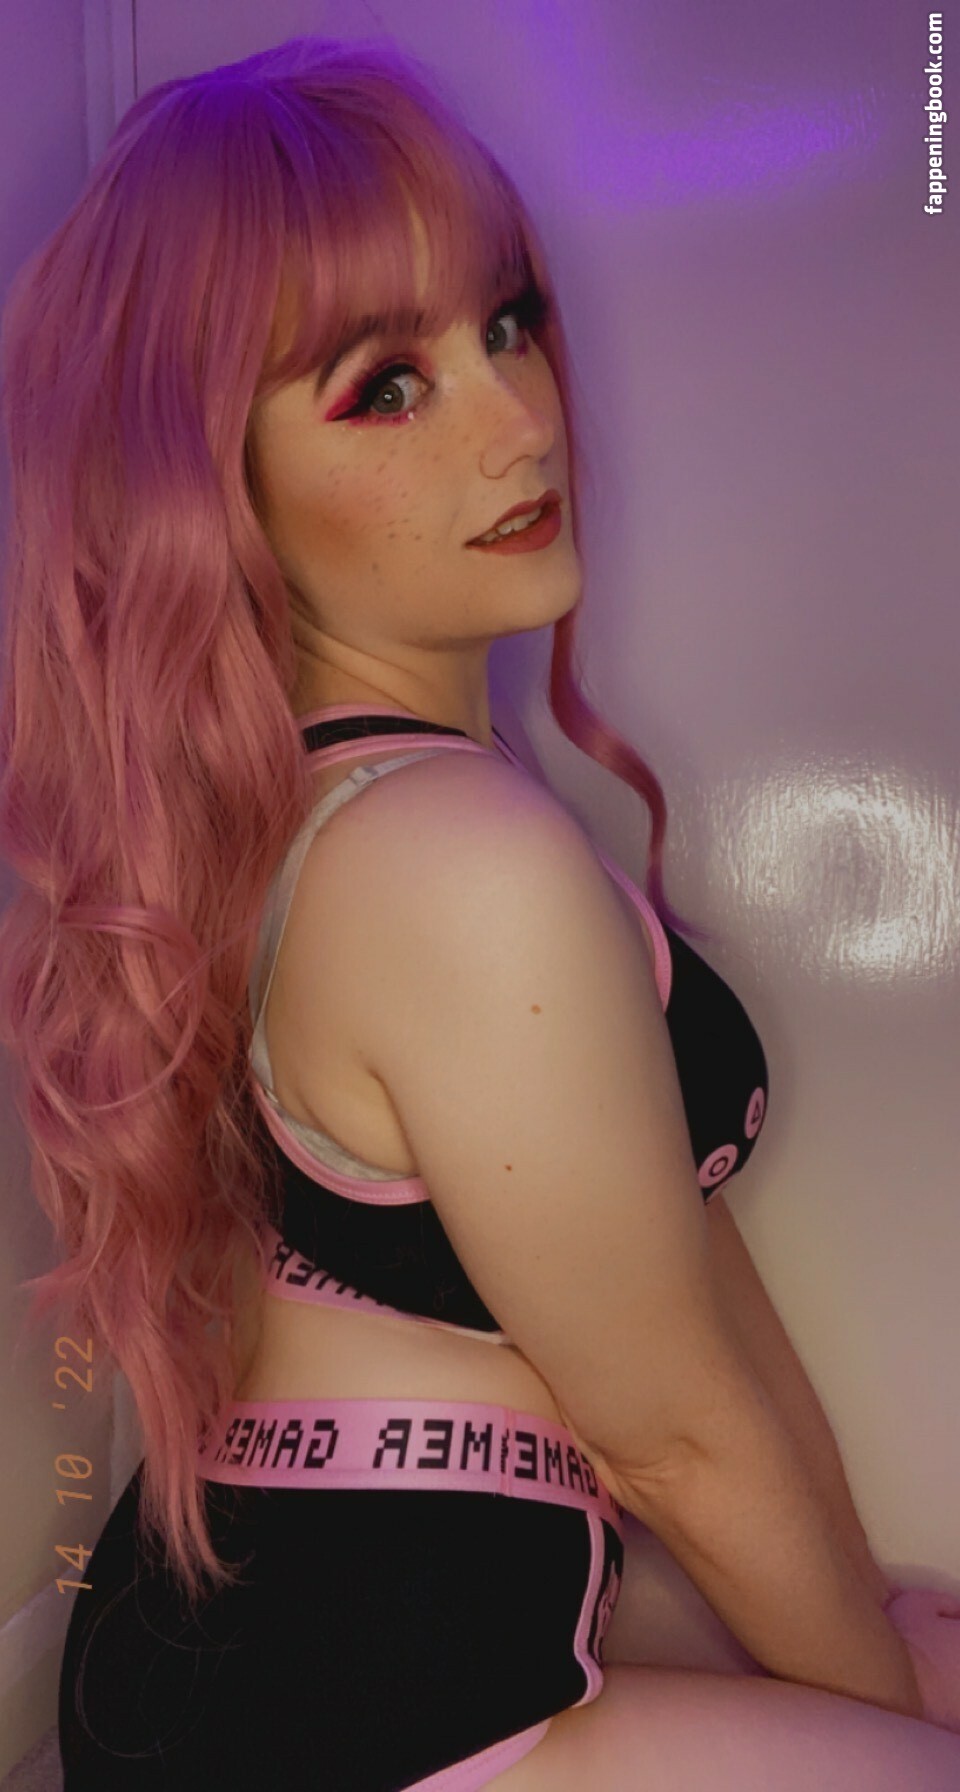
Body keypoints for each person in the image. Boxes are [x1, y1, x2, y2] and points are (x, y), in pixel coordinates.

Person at [0, 31, 957, 1792]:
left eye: (505, 323)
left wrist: (881, 1648)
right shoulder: (452, 862)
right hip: (347, 1697)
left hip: (254, 1631)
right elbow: (676, 1437)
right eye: (387, 385)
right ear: (215, 486)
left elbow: (699, 1326)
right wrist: (888, 1701)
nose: (520, 418)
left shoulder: (320, 812)